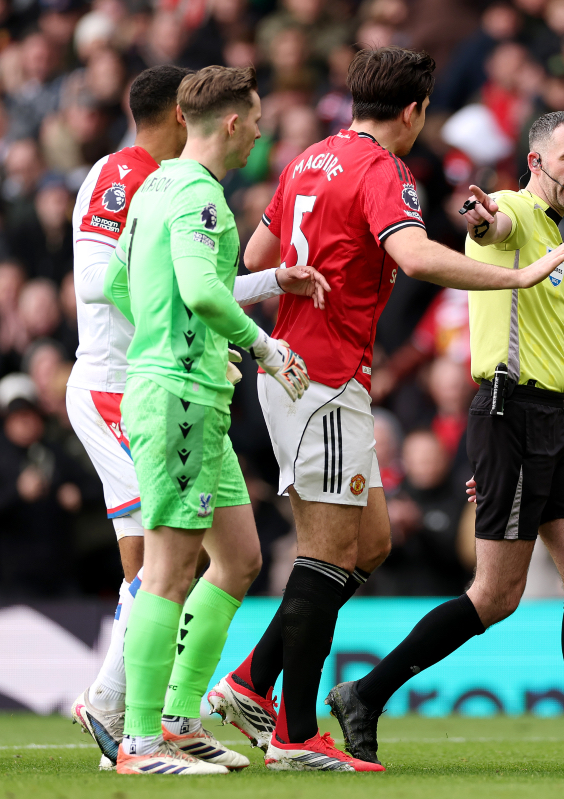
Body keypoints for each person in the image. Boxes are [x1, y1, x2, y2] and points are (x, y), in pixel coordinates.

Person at [206, 48, 564, 772]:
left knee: (368, 542)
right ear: (413, 111)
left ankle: (253, 682)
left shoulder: (307, 160)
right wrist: (522, 271)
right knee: (324, 553)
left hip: (297, 367)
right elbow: (413, 257)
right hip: (320, 375)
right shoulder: (383, 170)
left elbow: (249, 259)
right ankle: (293, 733)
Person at [322, 110, 564, 771]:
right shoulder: (514, 210)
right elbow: (490, 223)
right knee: (495, 594)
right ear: (536, 160)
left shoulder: (557, 233)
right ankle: (364, 693)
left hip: (552, 420)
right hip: (509, 414)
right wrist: (480, 219)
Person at [65, 64, 329, 772]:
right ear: (232, 123)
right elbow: (200, 292)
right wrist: (267, 349)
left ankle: (179, 718)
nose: (263, 132)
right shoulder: (195, 193)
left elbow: (142, 279)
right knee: (167, 568)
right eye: (258, 118)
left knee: (238, 557)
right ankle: (139, 737)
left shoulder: (159, 186)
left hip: (191, 388)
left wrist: (185, 322)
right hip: (172, 391)